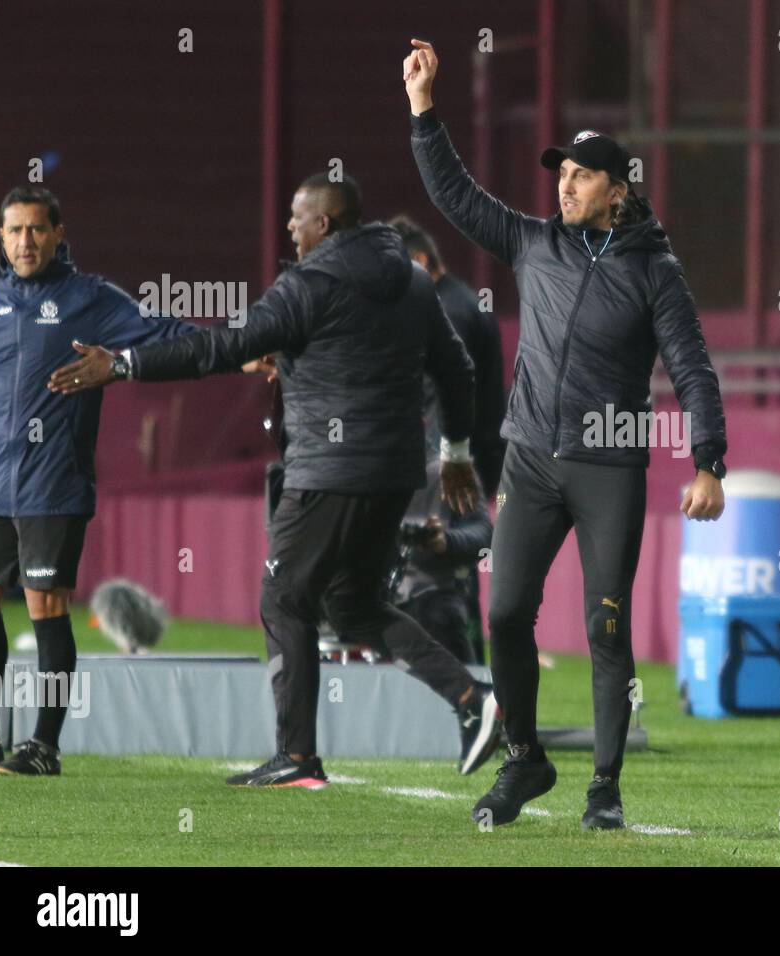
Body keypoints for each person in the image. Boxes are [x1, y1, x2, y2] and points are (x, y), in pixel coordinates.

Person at [48, 172, 505, 784]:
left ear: (326, 223)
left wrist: (125, 363)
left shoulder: (307, 285)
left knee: (283, 596)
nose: (289, 227)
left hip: (327, 472)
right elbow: (458, 368)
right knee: (353, 605)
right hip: (394, 472)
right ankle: (473, 700)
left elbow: (219, 348)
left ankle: (296, 755)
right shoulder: (415, 283)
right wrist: (453, 452)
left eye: (298, 217)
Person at [405, 39, 727, 829]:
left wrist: (709, 460)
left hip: (609, 467)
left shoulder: (657, 270)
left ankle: (606, 791)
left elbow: (692, 368)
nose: (564, 184)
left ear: (618, 191)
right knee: (507, 612)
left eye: (581, 175)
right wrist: (423, 109)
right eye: (561, 172)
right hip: (532, 462)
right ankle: (525, 760)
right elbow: (456, 195)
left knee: (603, 628)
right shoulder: (535, 241)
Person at [0, 187, 201, 775]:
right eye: (13, 231)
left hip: (51, 485)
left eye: (35, 230)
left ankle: (43, 746)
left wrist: (244, 349)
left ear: (58, 233)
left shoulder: (89, 298)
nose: (24, 241)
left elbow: (161, 332)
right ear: (0, 239)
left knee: (44, 607)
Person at [389, 214, 506, 497]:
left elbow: (451, 391)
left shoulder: (448, 313)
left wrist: (447, 459)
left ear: (421, 260)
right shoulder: (461, 301)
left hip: (453, 469)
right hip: (469, 459)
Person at [390, 457, 492, 666]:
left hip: (429, 595)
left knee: (440, 615)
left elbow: (483, 536)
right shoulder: (351, 462)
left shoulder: (449, 467)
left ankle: (466, 693)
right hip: (359, 594)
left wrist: (446, 541)